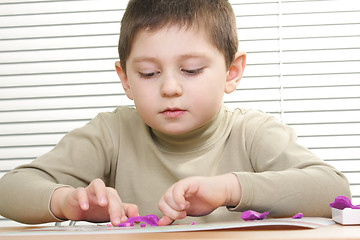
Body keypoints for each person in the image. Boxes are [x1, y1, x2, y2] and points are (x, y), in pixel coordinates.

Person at [0, 0, 351, 227]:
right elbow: (10, 189)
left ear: (232, 72)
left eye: (192, 69)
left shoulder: (252, 131)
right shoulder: (112, 132)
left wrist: (230, 188)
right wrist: (66, 202)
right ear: (125, 79)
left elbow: (332, 188)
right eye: (149, 74)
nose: (169, 88)